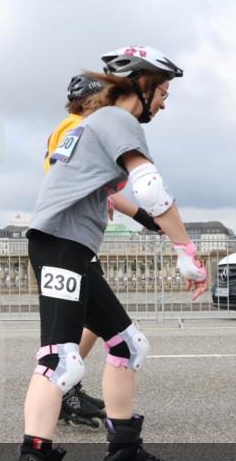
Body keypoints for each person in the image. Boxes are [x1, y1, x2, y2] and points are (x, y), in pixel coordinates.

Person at [0, 46, 208, 461]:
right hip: (61, 247)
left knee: (128, 346)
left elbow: (108, 192)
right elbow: (151, 186)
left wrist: (148, 223)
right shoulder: (116, 118)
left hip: (74, 249)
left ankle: (124, 454)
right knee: (60, 362)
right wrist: (186, 250)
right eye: (164, 92)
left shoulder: (92, 125)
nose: (165, 104)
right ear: (143, 85)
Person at [43, 74, 165, 430]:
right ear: (92, 101)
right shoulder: (77, 127)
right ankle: (65, 391)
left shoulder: (79, 127)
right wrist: (144, 214)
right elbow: (78, 179)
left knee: (95, 325)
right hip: (70, 234)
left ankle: (66, 389)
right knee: (97, 332)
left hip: (74, 233)